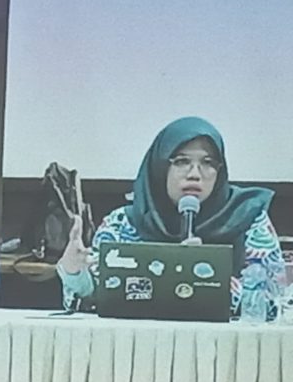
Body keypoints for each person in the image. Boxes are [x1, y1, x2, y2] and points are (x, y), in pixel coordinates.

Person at [58, 116, 283, 316]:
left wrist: (211, 281)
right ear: (160, 167)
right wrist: (74, 272)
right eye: (182, 161)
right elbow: (91, 299)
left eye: (207, 163)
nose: (194, 174)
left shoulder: (248, 217)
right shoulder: (123, 224)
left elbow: (274, 302)